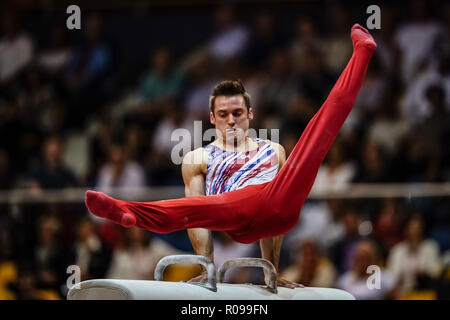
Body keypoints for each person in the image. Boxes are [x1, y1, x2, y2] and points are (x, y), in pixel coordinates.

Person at [85, 24, 376, 287]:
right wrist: (206, 265)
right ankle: (128, 213)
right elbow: (196, 214)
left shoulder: (273, 149)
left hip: (278, 209)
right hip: (233, 215)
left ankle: (362, 53)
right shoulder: (198, 157)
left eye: (238, 113)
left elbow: (274, 216)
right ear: (212, 118)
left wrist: (270, 272)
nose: (231, 120)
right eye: (223, 114)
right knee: (196, 206)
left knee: (320, 131)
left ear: (250, 114)